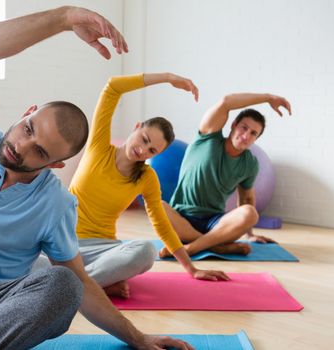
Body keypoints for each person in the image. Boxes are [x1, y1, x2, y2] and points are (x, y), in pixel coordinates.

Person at [0, 7, 195, 350]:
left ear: (55, 165)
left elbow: (79, 284)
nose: (20, 146)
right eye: (28, 129)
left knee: (62, 285)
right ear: (28, 112)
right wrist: (64, 18)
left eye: (40, 152)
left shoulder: (55, 204)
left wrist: (138, 337)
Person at [68, 73, 229, 299]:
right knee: (22, 256)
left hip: (102, 248)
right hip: (63, 239)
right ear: (136, 127)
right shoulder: (99, 146)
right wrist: (167, 78)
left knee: (146, 251)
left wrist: (191, 269)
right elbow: (112, 87)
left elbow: (161, 224)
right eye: (144, 139)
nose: (143, 150)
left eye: (152, 150)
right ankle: (95, 283)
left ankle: (74, 284)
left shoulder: (146, 177)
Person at [160, 93, 292, 258]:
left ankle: (192, 247)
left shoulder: (249, 163)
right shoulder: (207, 138)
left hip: (214, 224)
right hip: (181, 218)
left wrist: (248, 234)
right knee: (157, 206)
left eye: (253, 133)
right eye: (244, 127)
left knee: (250, 213)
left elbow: (247, 200)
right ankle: (216, 247)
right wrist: (267, 98)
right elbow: (225, 102)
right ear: (234, 125)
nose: (246, 136)